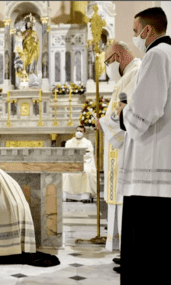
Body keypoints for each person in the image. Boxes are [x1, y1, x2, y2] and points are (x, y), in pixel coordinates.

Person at [115, 7, 171, 284]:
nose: (136, 37)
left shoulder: (157, 55)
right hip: (163, 158)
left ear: (147, 30)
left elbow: (147, 110)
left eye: (136, 32)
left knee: (147, 243)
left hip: (152, 164)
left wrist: (123, 113)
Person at [96, 42, 141, 258]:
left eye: (109, 60)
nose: (108, 66)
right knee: (117, 197)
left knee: (124, 197)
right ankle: (122, 248)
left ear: (119, 54)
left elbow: (128, 108)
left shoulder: (136, 71)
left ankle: (128, 250)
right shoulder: (126, 76)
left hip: (127, 146)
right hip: (119, 147)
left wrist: (104, 123)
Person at [62, 126, 97, 203]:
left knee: (87, 173)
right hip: (72, 163)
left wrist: (79, 157)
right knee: (67, 174)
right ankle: (69, 196)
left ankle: (84, 196)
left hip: (84, 163)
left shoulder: (87, 143)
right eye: (78, 131)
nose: (79, 132)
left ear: (83, 133)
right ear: (75, 132)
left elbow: (89, 155)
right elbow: (66, 154)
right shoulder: (69, 142)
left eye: (81, 131)